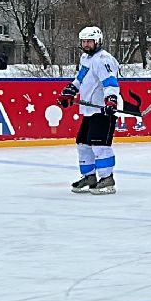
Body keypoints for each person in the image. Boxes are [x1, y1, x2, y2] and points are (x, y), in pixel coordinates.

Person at [61, 25, 120, 195]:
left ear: (98, 41)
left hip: (103, 111)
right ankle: (89, 177)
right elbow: (80, 79)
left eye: (89, 41)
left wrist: (111, 100)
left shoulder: (104, 59)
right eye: (84, 41)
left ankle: (107, 179)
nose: (86, 44)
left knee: (100, 145)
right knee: (83, 144)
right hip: (88, 110)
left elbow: (110, 82)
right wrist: (69, 92)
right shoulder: (86, 58)